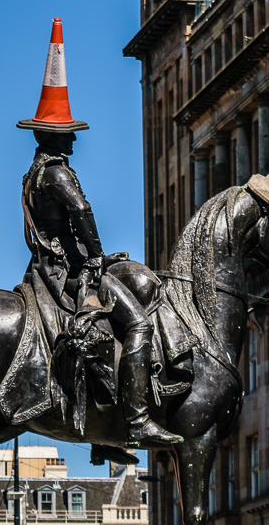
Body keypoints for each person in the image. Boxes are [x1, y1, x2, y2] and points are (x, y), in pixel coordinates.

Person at [20, 128, 183, 455]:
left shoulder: (33, 175)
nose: (73, 140)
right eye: (68, 133)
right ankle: (137, 419)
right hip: (71, 269)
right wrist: (96, 255)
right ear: (52, 137)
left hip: (47, 265)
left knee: (105, 331)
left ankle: (102, 436)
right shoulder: (55, 172)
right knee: (139, 324)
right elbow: (81, 210)